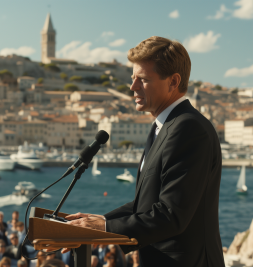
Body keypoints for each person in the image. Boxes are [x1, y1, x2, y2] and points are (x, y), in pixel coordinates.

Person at [62, 36, 225, 267]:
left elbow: (170, 214)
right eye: (133, 78)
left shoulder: (188, 128)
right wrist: (100, 221)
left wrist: (106, 228)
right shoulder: (163, 126)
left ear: (173, 82)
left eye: (143, 79)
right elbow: (147, 205)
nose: (132, 87)